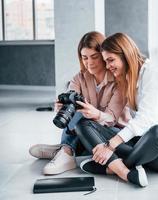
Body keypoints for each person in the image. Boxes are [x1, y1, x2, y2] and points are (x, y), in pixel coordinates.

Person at [75, 32, 158, 187]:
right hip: (140, 145)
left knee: (157, 131)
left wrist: (109, 146)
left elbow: (146, 120)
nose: (108, 66)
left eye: (111, 60)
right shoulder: (127, 79)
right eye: (105, 61)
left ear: (125, 55)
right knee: (83, 124)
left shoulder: (153, 73)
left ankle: (110, 167)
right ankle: (125, 172)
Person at [29, 31, 127, 175]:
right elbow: (71, 97)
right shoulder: (79, 78)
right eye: (84, 57)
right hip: (85, 132)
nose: (89, 63)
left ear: (104, 55)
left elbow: (112, 118)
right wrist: (63, 106)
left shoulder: (118, 79)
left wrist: (96, 114)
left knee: (84, 116)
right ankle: (66, 150)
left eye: (94, 57)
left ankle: (64, 151)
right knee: (75, 108)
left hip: (114, 134)